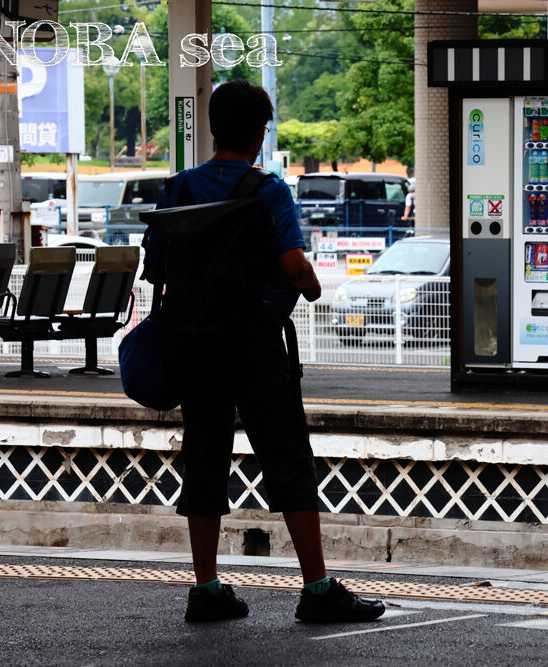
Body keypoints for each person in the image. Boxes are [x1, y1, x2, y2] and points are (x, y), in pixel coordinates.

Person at [144, 80, 384, 625]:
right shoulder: (268, 190)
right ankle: (316, 589)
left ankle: (206, 589)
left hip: (194, 346)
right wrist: (313, 287)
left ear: (212, 128)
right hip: (254, 343)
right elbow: (294, 265)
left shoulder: (178, 189)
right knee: (287, 457)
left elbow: (155, 270)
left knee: (204, 458)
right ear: (258, 133)